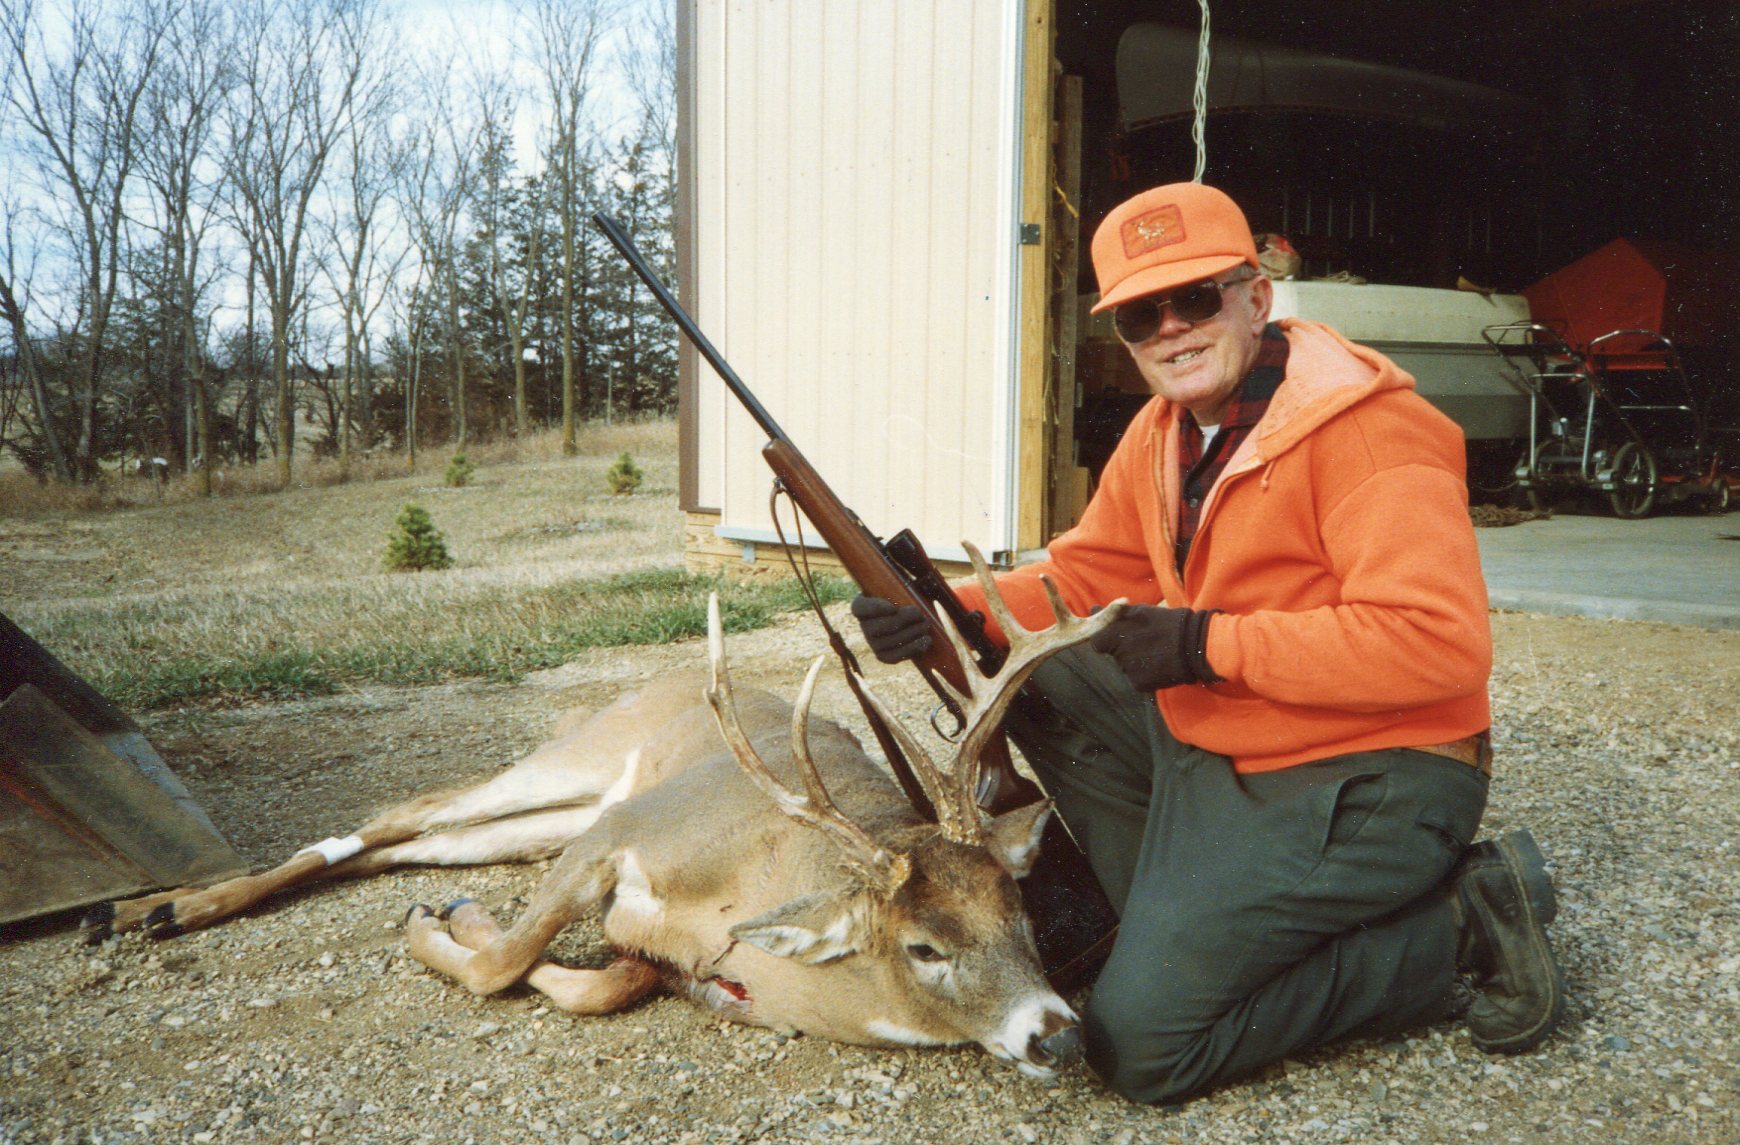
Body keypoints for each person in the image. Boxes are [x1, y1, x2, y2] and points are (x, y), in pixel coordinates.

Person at [851, 182, 1565, 1104]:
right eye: (1143, 315)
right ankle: (1184, 910)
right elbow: (1082, 576)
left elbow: (1440, 643)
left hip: (1377, 777)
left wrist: (1208, 647)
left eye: (1197, 298)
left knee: (1140, 1044)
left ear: (1257, 297)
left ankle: (1459, 923)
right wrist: (949, 612)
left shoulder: (1372, 430)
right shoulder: (1164, 435)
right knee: (1028, 668)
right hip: (1239, 742)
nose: (1173, 330)